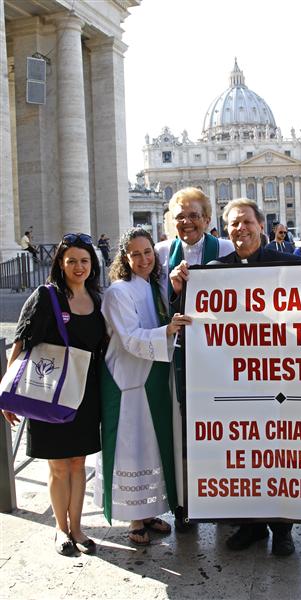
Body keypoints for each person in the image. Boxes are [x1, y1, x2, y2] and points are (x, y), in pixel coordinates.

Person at [188, 198, 301, 556]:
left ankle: (283, 528)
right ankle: (251, 525)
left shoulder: (291, 264)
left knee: (282, 452)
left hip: (283, 374)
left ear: (260, 225)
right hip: (238, 377)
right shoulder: (214, 270)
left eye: (246, 222)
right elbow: (197, 320)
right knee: (247, 452)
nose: (241, 229)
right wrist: (181, 289)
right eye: (234, 224)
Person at [2, 233, 105, 556]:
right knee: (59, 467)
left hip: (86, 394)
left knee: (78, 462)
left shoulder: (98, 298)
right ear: (60, 263)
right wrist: (8, 394)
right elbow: (19, 344)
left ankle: (77, 528)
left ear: (93, 265)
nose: (78, 267)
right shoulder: (45, 296)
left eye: (84, 261)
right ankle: (61, 529)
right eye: (71, 260)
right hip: (48, 392)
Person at [94, 227, 191, 546]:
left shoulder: (154, 287)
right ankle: (135, 518)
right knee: (130, 447)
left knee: (151, 445)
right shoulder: (117, 292)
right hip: (127, 381)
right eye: (135, 254)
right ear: (125, 257)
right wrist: (167, 330)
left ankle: (150, 512)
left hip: (154, 377)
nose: (143, 259)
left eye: (147, 252)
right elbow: (130, 338)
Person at [155, 187, 233, 530]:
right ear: (172, 221)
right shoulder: (159, 254)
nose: (187, 222)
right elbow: (152, 308)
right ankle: (186, 502)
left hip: (223, 357)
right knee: (184, 429)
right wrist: (173, 292)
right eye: (180, 216)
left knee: (224, 428)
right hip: (180, 357)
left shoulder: (227, 249)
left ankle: (225, 499)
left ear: (208, 219)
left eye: (194, 215)